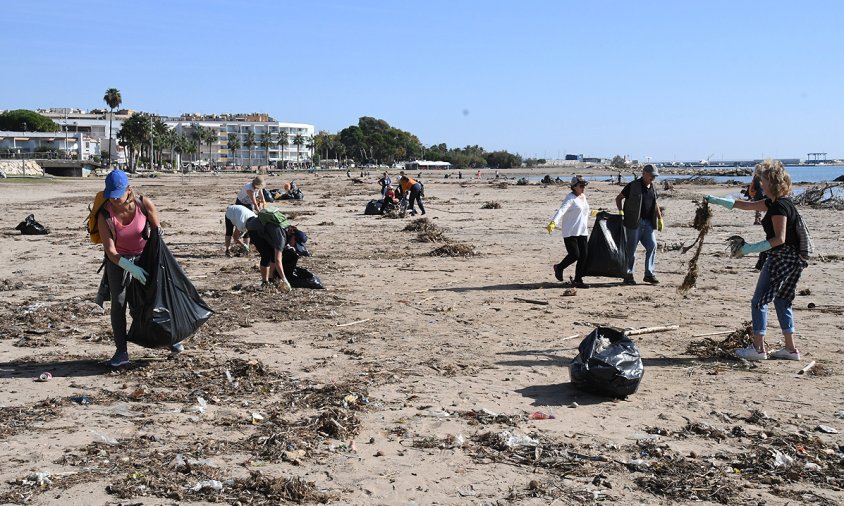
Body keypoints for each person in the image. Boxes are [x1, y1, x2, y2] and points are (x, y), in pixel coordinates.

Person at [706, 160, 806, 361]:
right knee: (782, 300)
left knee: (759, 301)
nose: (760, 182)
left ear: (771, 182)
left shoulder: (779, 207)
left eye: (762, 179)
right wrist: (717, 201)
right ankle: (790, 349)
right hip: (795, 259)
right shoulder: (776, 202)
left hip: (782, 258)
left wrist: (749, 249)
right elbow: (746, 205)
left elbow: (779, 239)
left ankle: (758, 349)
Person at [96, 170, 180, 367]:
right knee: (118, 303)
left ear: (129, 190)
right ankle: (121, 351)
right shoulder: (105, 214)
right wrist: (129, 267)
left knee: (152, 299)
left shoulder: (144, 204)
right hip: (118, 261)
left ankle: (170, 338)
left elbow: (157, 235)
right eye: (111, 195)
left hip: (145, 257)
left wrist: (156, 261)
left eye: (118, 195)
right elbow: (110, 251)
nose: (114, 199)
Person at [615, 164, 664, 285]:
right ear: (644, 174)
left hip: (648, 223)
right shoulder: (632, 186)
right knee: (631, 250)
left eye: (655, 176)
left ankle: (649, 274)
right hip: (633, 222)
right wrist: (621, 211)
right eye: (652, 176)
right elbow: (619, 198)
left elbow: (655, 203)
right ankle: (628, 275)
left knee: (652, 246)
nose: (653, 178)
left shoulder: (653, 187)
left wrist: (659, 218)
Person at [546, 176, 591, 288]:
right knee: (575, 254)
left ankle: (578, 280)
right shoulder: (570, 198)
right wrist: (553, 222)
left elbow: (585, 211)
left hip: (582, 231)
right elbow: (561, 211)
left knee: (584, 255)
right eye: (581, 186)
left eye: (584, 185)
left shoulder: (583, 196)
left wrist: (596, 213)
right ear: (574, 186)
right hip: (570, 231)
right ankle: (559, 267)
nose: (583, 188)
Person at [245, 211, 292, 291]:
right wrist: (285, 280)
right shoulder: (281, 239)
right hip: (254, 229)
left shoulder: (287, 230)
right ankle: (265, 282)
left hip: (264, 229)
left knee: (272, 253)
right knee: (266, 255)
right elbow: (278, 260)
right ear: (293, 237)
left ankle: (270, 279)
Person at [225, 176, 266, 256]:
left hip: (246, 207)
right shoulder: (249, 188)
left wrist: (264, 205)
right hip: (239, 204)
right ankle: (227, 249)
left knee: (247, 228)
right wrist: (259, 211)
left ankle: (246, 249)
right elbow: (235, 236)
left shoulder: (259, 187)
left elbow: (261, 196)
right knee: (230, 231)